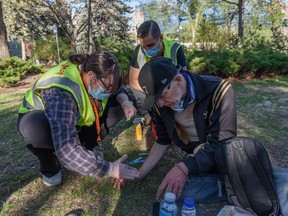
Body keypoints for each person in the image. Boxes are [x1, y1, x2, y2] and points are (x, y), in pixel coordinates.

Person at [118, 56, 237, 203]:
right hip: (195, 154)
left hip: (218, 152)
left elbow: (222, 143)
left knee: (188, 192)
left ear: (178, 81)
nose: (160, 104)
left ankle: (236, 183)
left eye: (162, 95)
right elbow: (163, 140)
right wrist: (139, 173)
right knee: (178, 193)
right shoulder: (159, 104)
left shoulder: (219, 90)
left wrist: (184, 168)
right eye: (156, 99)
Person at [17, 50, 140, 187]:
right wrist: (110, 169)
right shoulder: (60, 93)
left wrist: (125, 102)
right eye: (107, 88)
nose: (110, 92)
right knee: (37, 132)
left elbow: (116, 88)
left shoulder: (95, 68)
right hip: (37, 117)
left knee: (120, 102)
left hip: (71, 116)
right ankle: (50, 168)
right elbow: (66, 149)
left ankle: (84, 152)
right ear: (91, 76)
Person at [127, 20, 187, 117]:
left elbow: (184, 79)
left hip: (170, 91)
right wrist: (154, 95)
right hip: (150, 93)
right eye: (144, 46)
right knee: (130, 91)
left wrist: (163, 94)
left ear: (161, 38)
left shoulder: (175, 49)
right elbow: (133, 81)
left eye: (150, 45)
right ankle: (150, 116)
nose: (147, 50)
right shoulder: (138, 51)